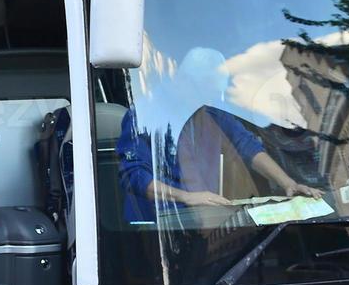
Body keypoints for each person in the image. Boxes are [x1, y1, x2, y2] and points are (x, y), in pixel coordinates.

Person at [115, 47, 320, 222]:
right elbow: (134, 175)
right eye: (206, 93)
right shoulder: (144, 115)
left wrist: (288, 183)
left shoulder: (209, 111)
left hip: (203, 220)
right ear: (184, 81)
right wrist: (187, 197)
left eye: (215, 95)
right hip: (155, 227)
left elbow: (246, 145)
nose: (211, 101)